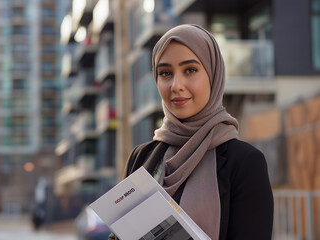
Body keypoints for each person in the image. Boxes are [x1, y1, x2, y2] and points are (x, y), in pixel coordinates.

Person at [108, 24, 273, 240]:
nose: (176, 85)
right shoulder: (142, 157)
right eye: (165, 73)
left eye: (190, 70)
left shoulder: (245, 163)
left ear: (212, 75)